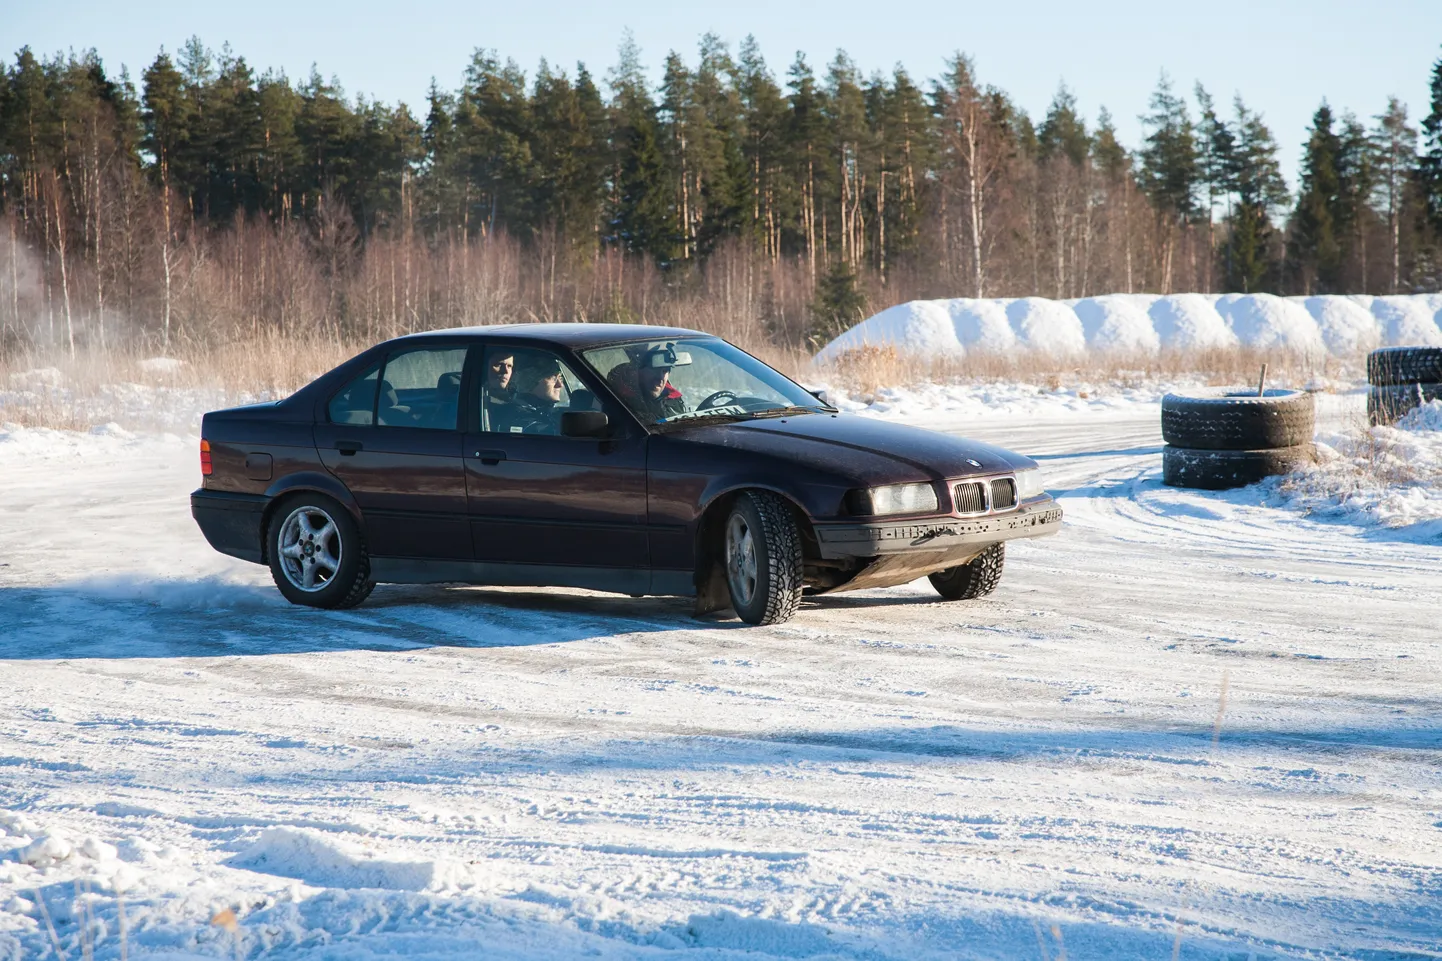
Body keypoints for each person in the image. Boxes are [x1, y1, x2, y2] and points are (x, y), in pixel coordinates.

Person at [607, 345, 687, 422]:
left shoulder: (672, 400)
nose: (660, 378)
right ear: (636, 372)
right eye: (654, 370)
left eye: (665, 371)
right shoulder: (618, 404)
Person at [493, 352, 566, 434]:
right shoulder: (519, 418)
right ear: (530, 380)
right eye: (553, 378)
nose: (560, 385)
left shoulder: (542, 412)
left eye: (560, 378)